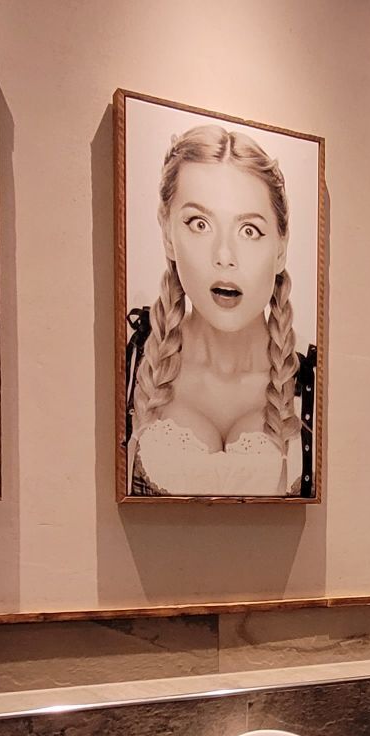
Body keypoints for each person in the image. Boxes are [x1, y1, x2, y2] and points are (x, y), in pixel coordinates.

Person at [124, 123, 315, 497]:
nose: (224, 256)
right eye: (200, 224)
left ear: (280, 247)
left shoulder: (312, 381)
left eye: (249, 230)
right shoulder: (134, 362)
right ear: (168, 234)